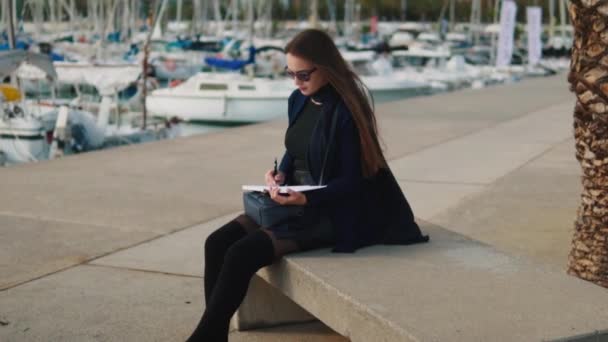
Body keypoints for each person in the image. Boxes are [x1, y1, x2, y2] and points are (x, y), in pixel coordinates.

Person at [186, 29, 429, 342]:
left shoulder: (346, 111)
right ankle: (212, 336)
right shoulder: (298, 100)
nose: (297, 83)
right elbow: (295, 148)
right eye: (291, 74)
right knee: (216, 242)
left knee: (241, 254)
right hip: (294, 200)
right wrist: (280, 175)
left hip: (330, 210)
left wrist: (305, 201)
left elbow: (353, 183)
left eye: (303, 75)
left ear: (325, 68)